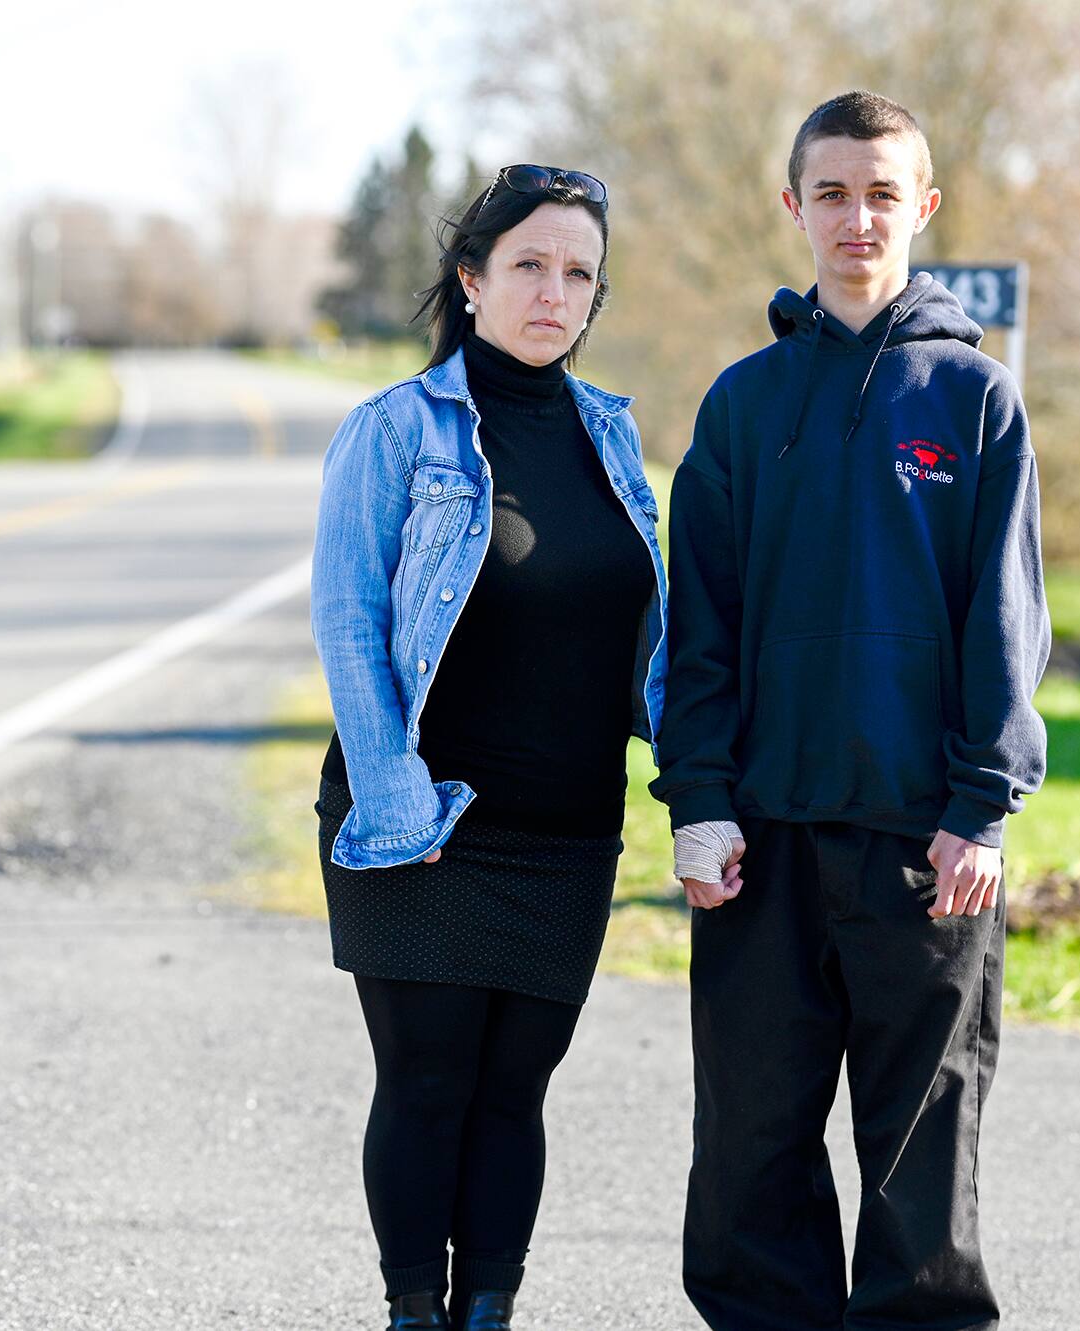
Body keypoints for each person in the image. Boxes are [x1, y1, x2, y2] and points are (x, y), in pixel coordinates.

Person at [650, 91, 1050, 1331]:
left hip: (921, 847)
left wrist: (980, 807)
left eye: (881, 192)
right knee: (747, 1159)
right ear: (792, 209)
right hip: (759, 838)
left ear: (921, 207)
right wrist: (699, 801)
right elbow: (697, 627)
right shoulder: (740, 403)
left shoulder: (972, 400)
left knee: (917, 1168)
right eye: (829, 191)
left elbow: (1005, 621)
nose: (855, 217)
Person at [308, 165, 670, 1331]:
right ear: (470, 281)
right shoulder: (393, 431)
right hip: (425, 815)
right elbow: (349, 624)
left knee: (516, 1092)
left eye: (577, 274)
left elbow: (648, 632)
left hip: (567, 829)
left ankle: (488, 1313)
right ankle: (415, 1311)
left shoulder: (612, 436)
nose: (552, 293)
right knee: (426, 1082)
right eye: (527, 265)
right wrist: (393, 797)